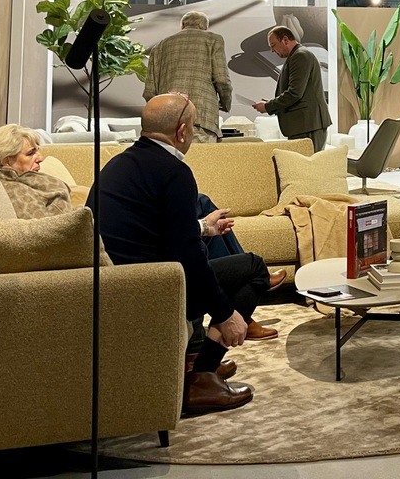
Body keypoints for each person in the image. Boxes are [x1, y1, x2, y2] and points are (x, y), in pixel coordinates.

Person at [88, 94, 288, 416]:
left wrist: (203, 228)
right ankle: (202, 377)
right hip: (156, 287)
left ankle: (194, 364)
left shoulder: (117, 165)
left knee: (226, 264)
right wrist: (226, 313)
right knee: (253, 268)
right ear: (182, 131)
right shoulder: (174, 171)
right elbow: (187, 256)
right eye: (193, 127)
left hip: (121, 284)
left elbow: (153, 230)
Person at [143, 11, 233, 143]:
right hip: (200, 119)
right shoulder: (213, 39)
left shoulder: (159, 47)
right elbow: (222, 80)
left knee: (169, 157)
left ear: (182, 25)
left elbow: (149, 92)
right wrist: (225, 104)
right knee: (202, 156)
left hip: (166, 124)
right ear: (204, 27)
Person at [252, 25, 331, 150]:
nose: (272, 50)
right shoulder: (297, 55)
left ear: (285, 40)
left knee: (307, 162)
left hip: (307, 126)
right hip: (304, 126)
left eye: (273, 45)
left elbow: (295, 93)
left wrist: (268, 106)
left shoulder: (300, 56)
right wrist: (270, 104)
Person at [0, 124, 72, 219]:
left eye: (37, 151)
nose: (41, 158)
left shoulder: (27, 181)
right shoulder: (14, 193)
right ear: (7, 161)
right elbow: (52, 224)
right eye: (31, 153)